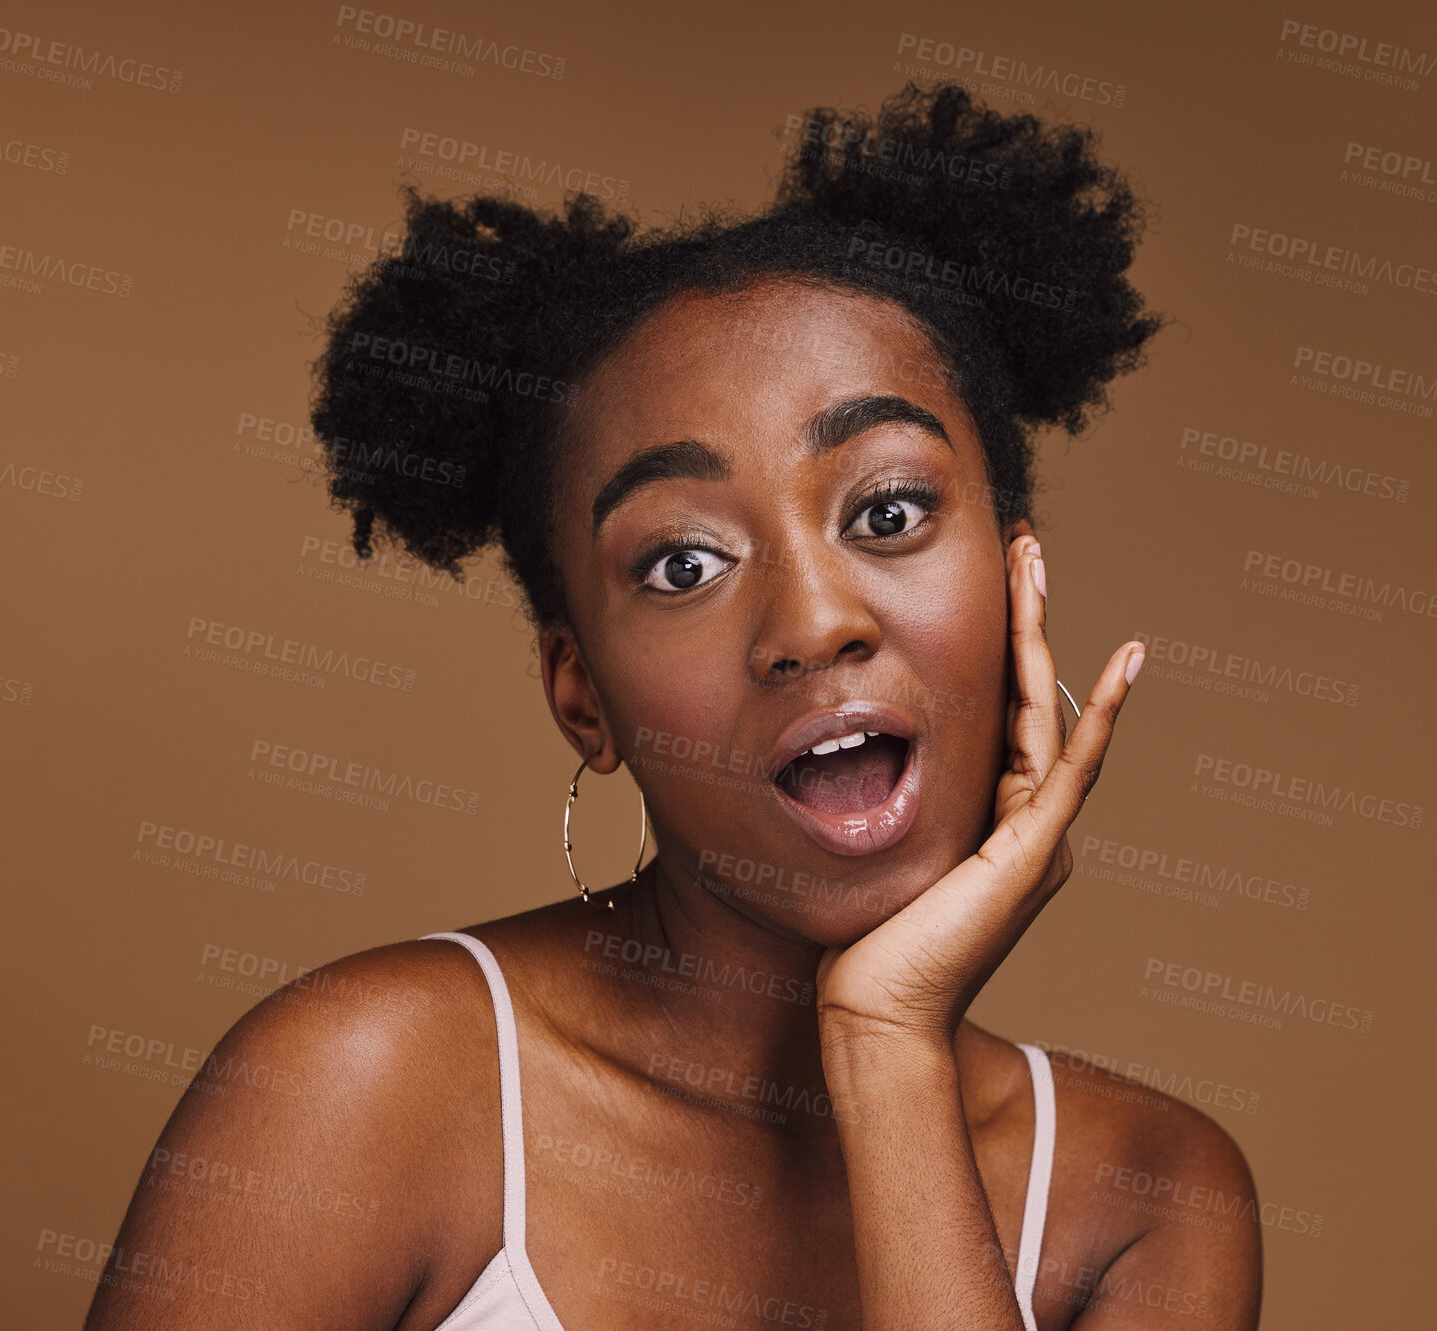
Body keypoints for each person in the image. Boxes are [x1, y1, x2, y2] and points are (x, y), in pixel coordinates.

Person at [86, 81, 1261, 1329]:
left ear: (1019, 576)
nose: (812, 623)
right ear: (580, 694)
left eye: (887, 512)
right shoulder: (364, 1083)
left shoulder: (1148, 1199)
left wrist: (885, 1045)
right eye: (683, 564)